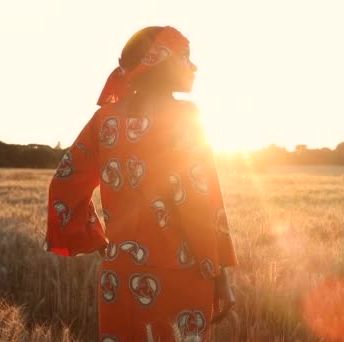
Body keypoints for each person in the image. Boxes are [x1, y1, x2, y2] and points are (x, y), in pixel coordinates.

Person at [45, 26, 238, 342]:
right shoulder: (186, 116)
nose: (194, 67)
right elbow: (201, 204)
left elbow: (64, 183)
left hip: (118, 276)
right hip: (179, 274)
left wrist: (98, 240)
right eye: (186, 58)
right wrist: (220, 276)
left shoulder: (104, 119)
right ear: (160, 63)